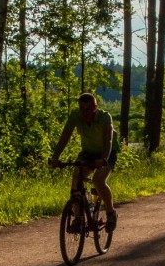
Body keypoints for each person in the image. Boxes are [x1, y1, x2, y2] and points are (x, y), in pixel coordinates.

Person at [49, 93, 118, 231]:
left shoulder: (105, 117)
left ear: (95, 107)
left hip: (107, 152)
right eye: (82, 109)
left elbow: (108, 140)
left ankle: (111, 213)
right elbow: (64, 137)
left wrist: (104, 159)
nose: (85, 113)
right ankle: (78, 219)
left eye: (88, 109)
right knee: (76, 175)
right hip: (88, 152)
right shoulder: (76, 115)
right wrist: (55, 157)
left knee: (98, 180)